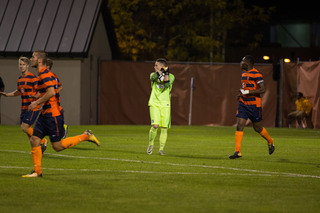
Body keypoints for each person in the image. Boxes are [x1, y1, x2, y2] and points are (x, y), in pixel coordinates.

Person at [22, 50, 100, 178]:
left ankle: (85, 136)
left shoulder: (43, 74)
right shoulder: (47, 73)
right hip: (46, 113)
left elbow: (52, 92)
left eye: (33, 57)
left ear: (40, 60)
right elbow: (53, 92)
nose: (31, 59)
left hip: (53, 115)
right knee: (35, 140)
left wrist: (36, 103)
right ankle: (37, 172)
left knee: (57, 146)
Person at [229, 55, 275, 159]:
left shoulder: (257, 74)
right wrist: (241, 94)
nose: (241, 63)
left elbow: (262, 89)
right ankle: (238, 152)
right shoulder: (243, 74)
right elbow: (245, 88)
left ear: (248, 63)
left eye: (242, 61)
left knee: (257, 128)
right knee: (239, 126)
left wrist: (247, 92)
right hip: (243, 104)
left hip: (254, 105)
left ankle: (270, 141)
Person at [0, 57, 48, 151]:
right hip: (24, 107)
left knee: (24, 127)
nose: (21, 66)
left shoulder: (33, 78)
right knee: (27, 130)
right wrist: (7, 94)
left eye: (23, 65)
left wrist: (35, 98)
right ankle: (37, 145)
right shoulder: (19, 79)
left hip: (33, 107)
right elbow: (18, 92)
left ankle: (42, 140)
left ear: (27, 66)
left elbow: (40, 92)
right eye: (20, 65)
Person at [147, 58, 175, 156]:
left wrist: (166, 73)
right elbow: (154, 77)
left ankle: (161, 149)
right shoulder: (152, 74)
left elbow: (167, 85)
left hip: (165, 105)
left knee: (164, 128)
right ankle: (151, 144)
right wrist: (162, 71)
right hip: (154, 103)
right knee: (155, 126)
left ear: (162, 66)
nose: (154, 67)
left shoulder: (171, 76)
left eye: (156, 65)